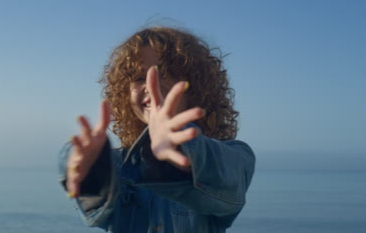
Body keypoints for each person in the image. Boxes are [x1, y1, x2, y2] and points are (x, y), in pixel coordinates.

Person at [58, 26, 256, 232]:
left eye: (167, 73)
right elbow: (97, 204)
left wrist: (180, 149)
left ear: (197, 87)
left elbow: (224, 179)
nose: (151, 85)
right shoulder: (121, 166)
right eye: (138, 77)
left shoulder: (238, 156)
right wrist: (89, 168)